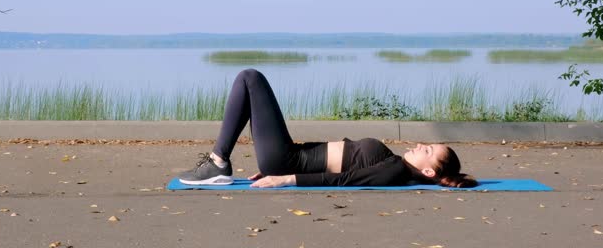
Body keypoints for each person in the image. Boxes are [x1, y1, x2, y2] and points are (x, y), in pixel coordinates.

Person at [178, 69, 477, 188]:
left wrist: (285, 180)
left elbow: (344, 179)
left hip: (288, 162)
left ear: (428, 171)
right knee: (250, 83)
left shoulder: (395, 171)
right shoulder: (394, 162)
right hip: (288, 158)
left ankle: (218, 162)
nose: (423, 146)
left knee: (250, 78)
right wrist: (276, 171)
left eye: (429, 151)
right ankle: (218, 162)